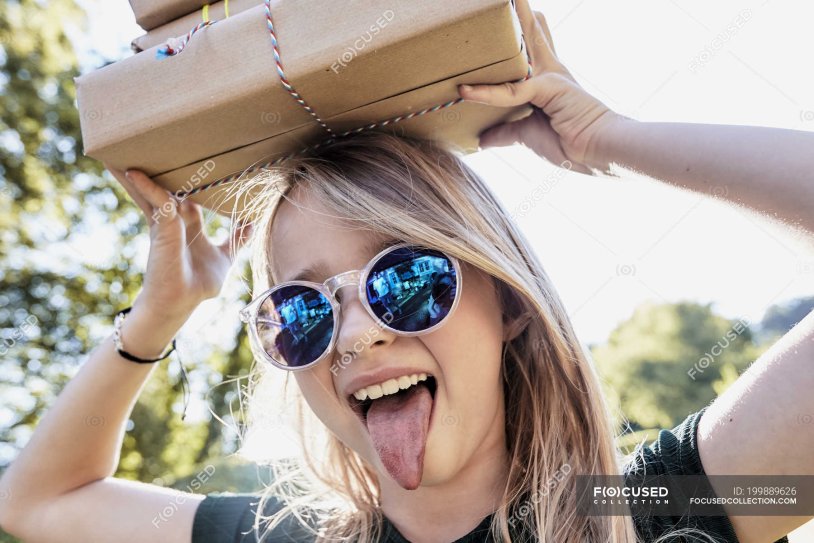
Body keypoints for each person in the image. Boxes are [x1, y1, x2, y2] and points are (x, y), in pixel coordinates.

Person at [1, 1, 812, 541]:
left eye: (406, 280)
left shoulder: (649, 509)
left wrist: (607, 139)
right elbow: (38, 500)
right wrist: (159, 315)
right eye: (302, 311)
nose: (355, 336)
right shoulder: (287, 536)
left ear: (509, 303)